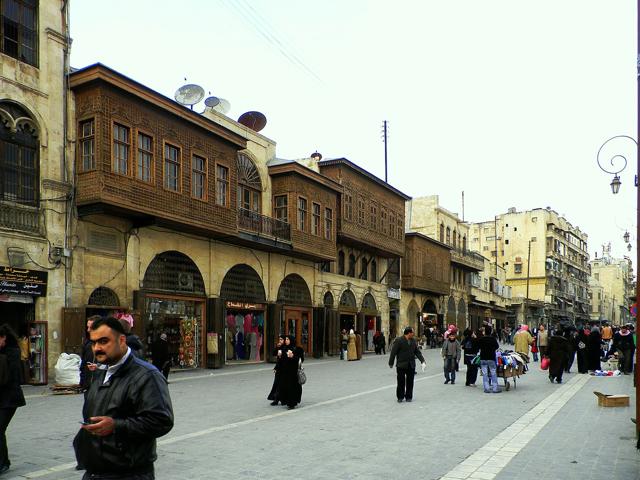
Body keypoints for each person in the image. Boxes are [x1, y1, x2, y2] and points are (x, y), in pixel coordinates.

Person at [73, 317, 173, 480]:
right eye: (94, 342)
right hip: (95, 472)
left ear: (121, 340)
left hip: (128, 473)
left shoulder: (147, 376)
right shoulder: (101, 372)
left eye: (104, 341)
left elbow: (162, 420)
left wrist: (116, 426)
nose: (97, 348)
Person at [0, 324, 26, 475]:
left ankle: (3, 463)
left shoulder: (12, 352)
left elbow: (11, 378)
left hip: (10, 398)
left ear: (3, 337)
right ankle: (4, 461)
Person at [388, 327, 426, 402]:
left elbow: (417, 352)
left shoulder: (413, 341)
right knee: (401, 382)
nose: (413, 334)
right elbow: (393, 352)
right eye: (412, 332)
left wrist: (422, 361)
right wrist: (391, 363)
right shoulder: (399, 340)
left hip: (411, 365)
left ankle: (409, 397)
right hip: (401, 364)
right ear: (408, 333)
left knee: (410, 382)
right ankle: (400, 397)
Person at [278, 336, 304, 409]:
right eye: (285, 339)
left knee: (293, 387)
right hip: (285, 372)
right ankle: (287, 401)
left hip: (294, 372)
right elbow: (281, 361)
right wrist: (280, 356)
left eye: (287, 339)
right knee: (284, 387)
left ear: (291, 340)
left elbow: (301, 359)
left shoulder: (298, 349)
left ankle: (292, 403)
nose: (286, 341)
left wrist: (292, 356)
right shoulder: (284, 348)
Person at [80, 315, 102, 391]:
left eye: (91, 327)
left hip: (101, 386)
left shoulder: (107, 344)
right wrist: (82, 382)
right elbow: (83, 364)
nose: (88, 330)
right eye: (87, 327)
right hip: (88, 386)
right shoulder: (87, 343)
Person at [478, 325, 500, 394]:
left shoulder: (481, 339)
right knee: (493, 373)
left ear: (485, 332)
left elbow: (478, 346)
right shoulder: (493, 339)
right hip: (491, 358)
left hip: (483, 358)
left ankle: (486, 388)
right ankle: (495, 388)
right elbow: (497, 346)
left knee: (485, 373)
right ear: (490, 332)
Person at [267, 335, 285, 405]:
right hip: (279, 369)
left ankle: (283, 399)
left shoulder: (286, 348)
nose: (280, 341)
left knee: (283, 385)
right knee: (276, 384)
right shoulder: (279, 347)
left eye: (281, 340)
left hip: (284, 369)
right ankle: (276, 399)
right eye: (279, 339)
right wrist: (277, 347)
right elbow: (274, 354)